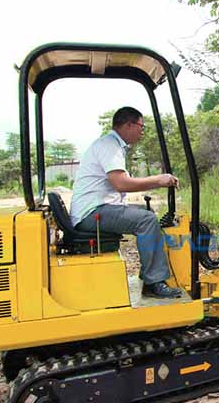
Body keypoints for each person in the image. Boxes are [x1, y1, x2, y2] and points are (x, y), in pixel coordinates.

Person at [70, 106, 181, 299]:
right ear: (129, 125)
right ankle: (154, 282)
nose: (142, 131)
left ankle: (149, 273)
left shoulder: (111, 145)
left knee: (147, 214)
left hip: (95, 209)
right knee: (146, 220)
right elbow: (120, 183)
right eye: (141, 126)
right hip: (92, 212)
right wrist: (158, 180)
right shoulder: (109, 146)